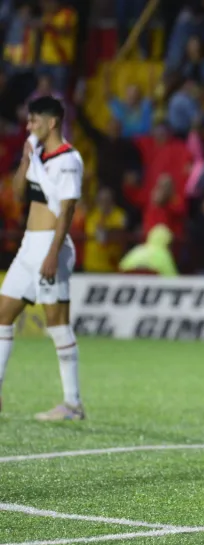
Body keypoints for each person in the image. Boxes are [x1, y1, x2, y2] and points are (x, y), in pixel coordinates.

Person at [0, 96, 83, 420]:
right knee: (3, 314)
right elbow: (19, 196)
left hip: (52, 246)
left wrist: (52, 254)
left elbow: (67, 210)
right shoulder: (38, 158)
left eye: (33, 121)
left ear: (51, 123)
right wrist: (24, 163)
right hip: (28, 246)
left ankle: (73, 404)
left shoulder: (69, 160)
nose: (28, 126)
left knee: (57, 325)